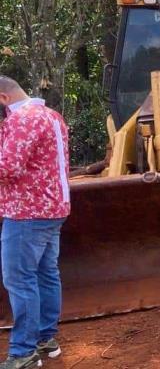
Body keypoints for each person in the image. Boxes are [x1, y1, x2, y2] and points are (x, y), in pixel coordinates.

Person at [0, 76, 70, 369]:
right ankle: (45, 339)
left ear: (3, 98)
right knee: (45, 274)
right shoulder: (52, 115)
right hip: (54, 209)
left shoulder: (21, 120)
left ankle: (23, 353)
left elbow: (7, 167)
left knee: (19, 279)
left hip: (26, 212)